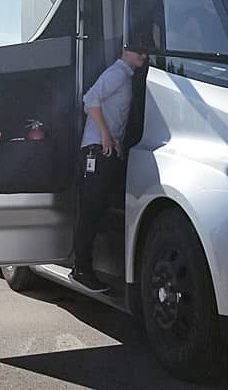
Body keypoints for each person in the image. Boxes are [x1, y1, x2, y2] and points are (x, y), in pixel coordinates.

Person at [70, 48, 147, 292]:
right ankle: (81, 269)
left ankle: (87, 267)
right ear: (126, 51)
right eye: (140, 51)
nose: (144, 55)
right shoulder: (117, 73)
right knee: (91, 210)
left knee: (98, 208)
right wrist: (105, 135)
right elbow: (89, 100)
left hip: (106, 149)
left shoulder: (124, 76)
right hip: (96, 150)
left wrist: (115, 142)